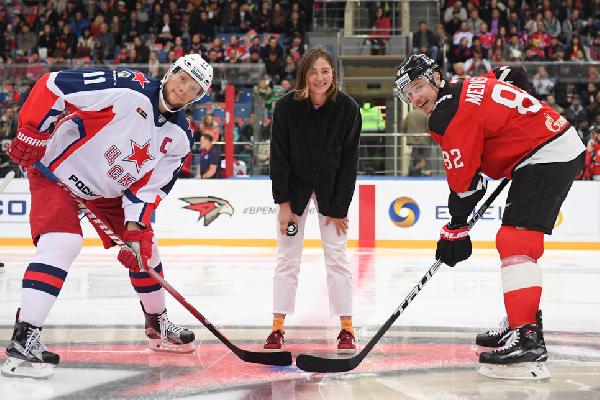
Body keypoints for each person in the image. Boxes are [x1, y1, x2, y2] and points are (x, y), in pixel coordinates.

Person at [2, 54, 214, 379]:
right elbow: (54, 85)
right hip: (56, 172)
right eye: (183, 78)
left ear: (197, 98)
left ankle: (157, 324)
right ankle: (24, 337)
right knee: (63, 243)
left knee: (145, 251)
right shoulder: (129, 88)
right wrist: (34, 131)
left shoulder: (179, 138)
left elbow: (147, 189)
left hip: (106, 193)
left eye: (194, 88)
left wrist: (134, 228)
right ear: (171, 73)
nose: (184, 89)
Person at [394, 54, 584, 380]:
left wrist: (455, 228)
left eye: (419, 87)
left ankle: (527, 338)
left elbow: (467, 186)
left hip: (546, 153)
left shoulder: (446, 115)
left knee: (516, 241)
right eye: (408, 95)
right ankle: (518, 321)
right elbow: (513, 73)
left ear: (436, 78)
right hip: (547, 147)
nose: (417, 98)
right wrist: (515, 129)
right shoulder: (470, 85)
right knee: (514, 240)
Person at [266, 47, 361, 353]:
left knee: (337, 257)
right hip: (294, 191)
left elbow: (349, 162)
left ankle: (346, 328)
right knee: (287, 258)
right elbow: (278, 157)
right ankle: (277, 327)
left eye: (326, 71)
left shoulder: (348, 109)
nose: (320, 78)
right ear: (304, 74)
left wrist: (340, 207)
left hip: (332, 192)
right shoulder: (285, 107)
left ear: (333, 74)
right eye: (314, 71)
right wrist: (283, 203)